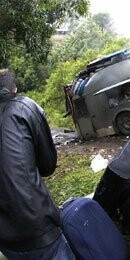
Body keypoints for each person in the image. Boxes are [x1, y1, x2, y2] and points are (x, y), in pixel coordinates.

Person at [0, 69, 75, 259]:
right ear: (14, 88)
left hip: (5, 239)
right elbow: (48, 166)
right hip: (39, 229)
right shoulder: (24, 107)